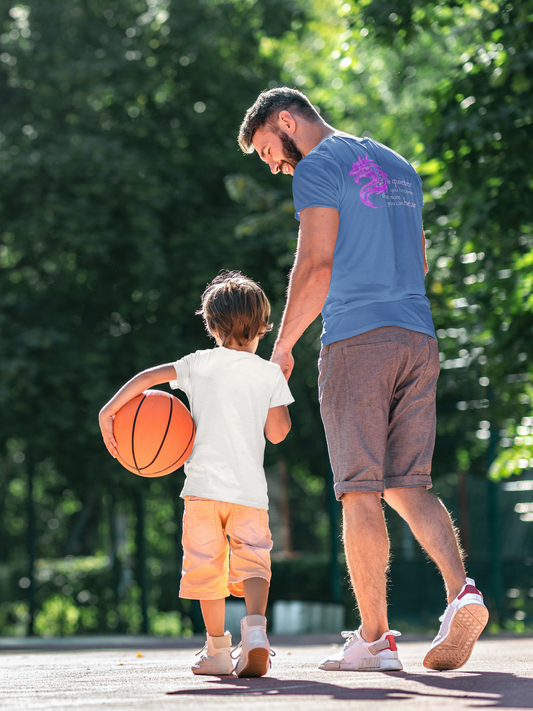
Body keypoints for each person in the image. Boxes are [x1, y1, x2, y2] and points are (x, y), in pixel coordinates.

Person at [238, 88, 488, 672]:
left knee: (359, 488)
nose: (275, 165)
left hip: (358, 340)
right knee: (409, 484)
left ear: (285, 121)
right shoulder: (397, 164)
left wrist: (283, 346)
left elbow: (317, 263)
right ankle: (462, 592)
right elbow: (420, 259)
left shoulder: (319, 167)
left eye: (270, 152)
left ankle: (374, 641)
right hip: (418, 337)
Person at [99, 271, 294, 677]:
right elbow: (277, 435)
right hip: (249, 494)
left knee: (209, 569)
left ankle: (217, 649)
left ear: (211, 324)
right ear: (262, 325)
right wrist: (277, 387)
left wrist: (109, 411)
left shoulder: (197, 364)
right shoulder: (268, 373)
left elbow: (147, 379)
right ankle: (255, 631)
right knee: (255, 563)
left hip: (203, 492)